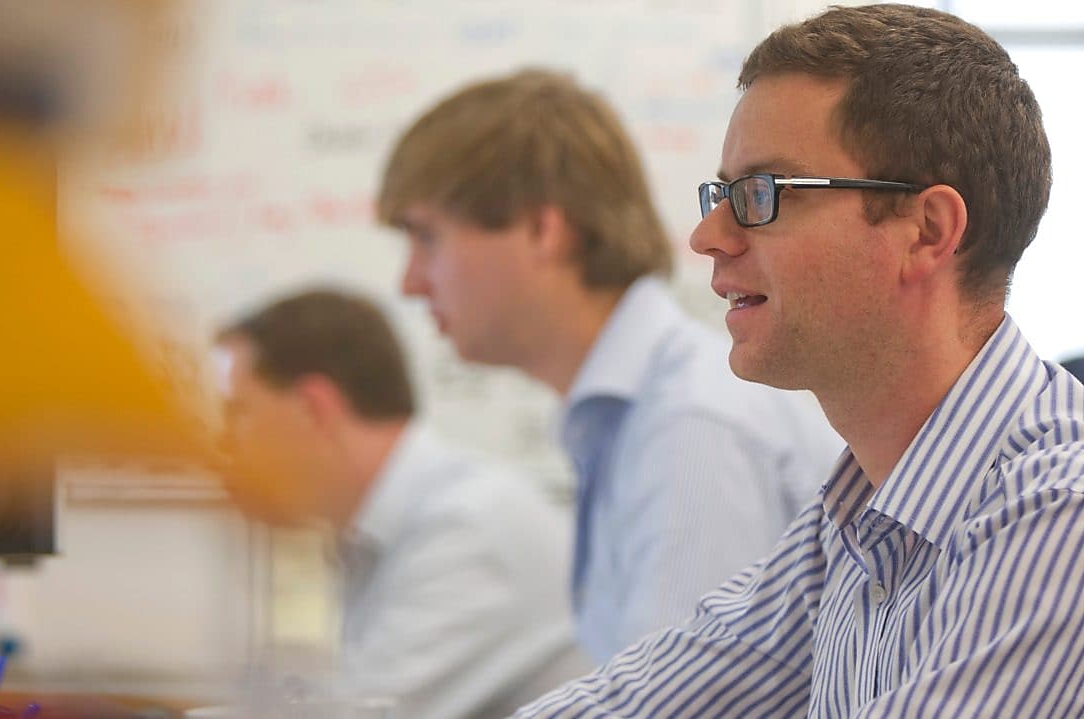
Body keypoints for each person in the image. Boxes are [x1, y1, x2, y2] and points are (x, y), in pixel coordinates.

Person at [518, 4, 1084, 716]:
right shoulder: (854, 520)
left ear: (926, 230)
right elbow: (643, 700)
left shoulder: (1060, 511)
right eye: (722, 194)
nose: (707, 236)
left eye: (763, 195)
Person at [377, 69, 841, 662]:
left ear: (542, 230)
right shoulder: (638, 414)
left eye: (427, 239)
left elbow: (676, 699)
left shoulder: (691, 425)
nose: (410, 283)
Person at [211, 288, 588, 719]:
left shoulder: (466, 530)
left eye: (239, 412)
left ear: (313, 408)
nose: (226, 442)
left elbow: (361, 715)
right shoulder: (384, 530)